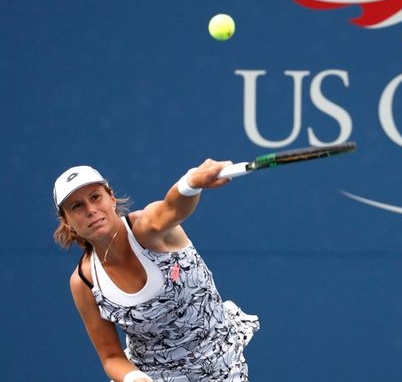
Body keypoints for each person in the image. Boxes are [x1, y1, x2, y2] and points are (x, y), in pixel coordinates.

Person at [53, 160, 260, 382]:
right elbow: (111, 357)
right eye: (77, 206)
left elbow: (173, 207)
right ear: (67, 221)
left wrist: (191, 182)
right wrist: (134, 378)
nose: (91, 210)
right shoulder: (84, 281)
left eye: (95, 197)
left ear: (111, 198)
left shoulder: (147, 229)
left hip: (220, 368)